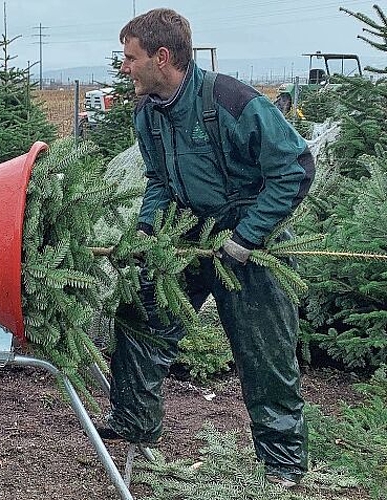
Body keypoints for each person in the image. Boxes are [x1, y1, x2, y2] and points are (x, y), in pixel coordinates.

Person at [100, 8, 314, 488]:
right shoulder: (146, 113)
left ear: (162, 56)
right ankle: (135, 420)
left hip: (251, 238)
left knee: (264, 351)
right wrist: (146, 230)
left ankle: (282, 465)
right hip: (187, 231)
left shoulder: (232, 101)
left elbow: (296, 167)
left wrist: (248, 236)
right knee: (140, 313)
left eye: (130, 58)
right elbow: (157, 180)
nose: (125, 67)